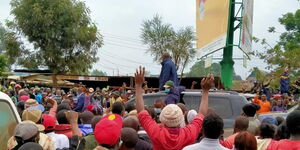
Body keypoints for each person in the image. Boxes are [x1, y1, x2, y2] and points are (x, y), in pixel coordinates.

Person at [135, 66, 213, 150]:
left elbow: (141, 112)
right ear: (181, 120)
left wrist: (138, 85)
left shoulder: (156, 132)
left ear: (162, 120)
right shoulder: (189, 133)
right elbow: (201, 114)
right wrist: (205, 91)